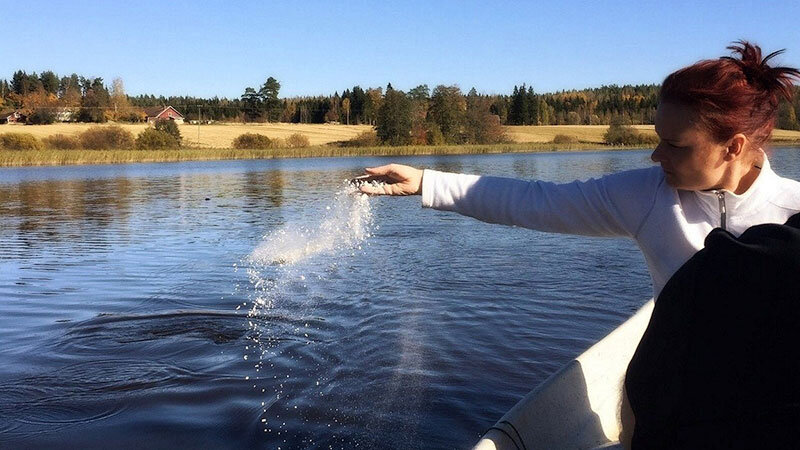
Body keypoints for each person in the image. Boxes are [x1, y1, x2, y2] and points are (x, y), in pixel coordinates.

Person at [357, 41, 800, 299]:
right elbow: (538, 203)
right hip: (673, 401)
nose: (655, 157)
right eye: (657, 139)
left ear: (733, 147)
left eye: (673, 145)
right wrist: (427, 181)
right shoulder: (648, 195)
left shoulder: (793, 214)